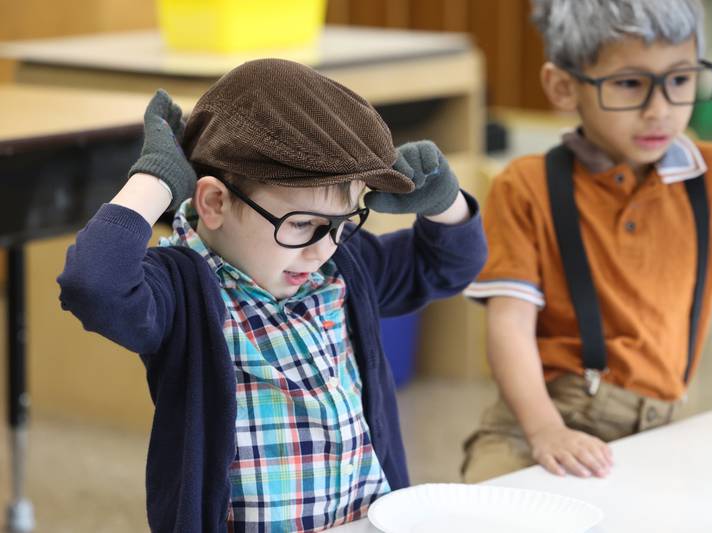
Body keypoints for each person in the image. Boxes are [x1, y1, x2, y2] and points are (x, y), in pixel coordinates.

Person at [57, 58, 487, 532]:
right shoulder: (182, 290)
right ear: (215, 203)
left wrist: (444, 201)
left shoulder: (343, 266)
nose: (322, 249)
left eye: (342, 226)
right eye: (301, 224)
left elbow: (448, 265)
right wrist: (157, 177)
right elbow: (92, 283)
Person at [461, 0, 712, 483]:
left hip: (662, 426)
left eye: (680, 80)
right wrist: (545, 430)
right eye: (629, 84)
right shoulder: (526, 185)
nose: (659, 109)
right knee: (491, 507)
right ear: (562, 86)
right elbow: (509, 327)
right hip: (542, 415)